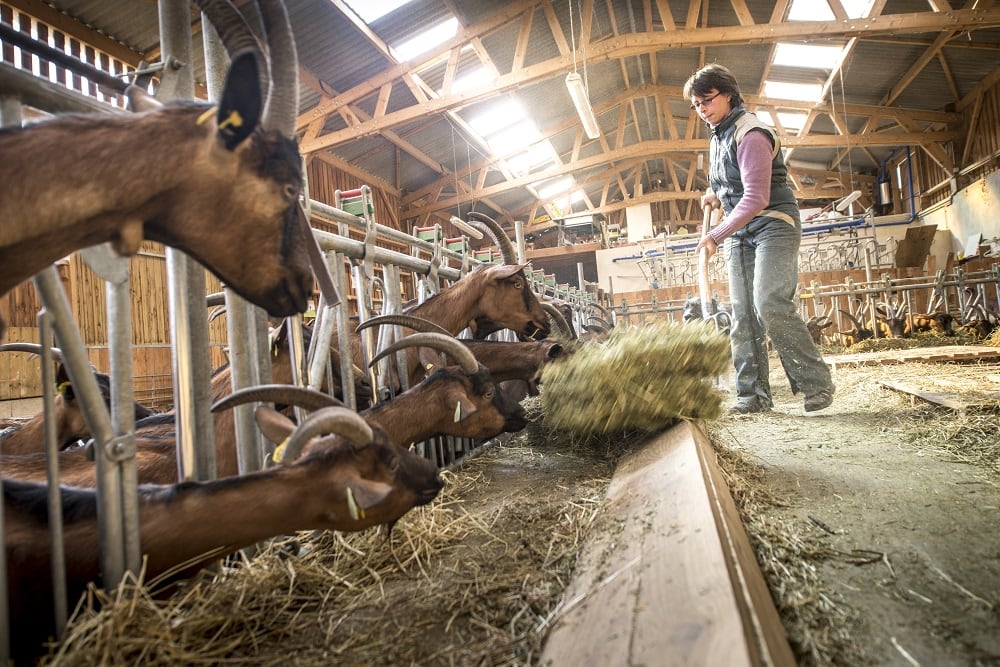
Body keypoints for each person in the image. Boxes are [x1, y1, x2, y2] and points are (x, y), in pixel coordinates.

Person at [686, 64, 834, 414]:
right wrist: (714, 194)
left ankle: (816, 383)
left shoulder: (751, 132)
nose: (702, 110)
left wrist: (715, 234)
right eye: (696, 105)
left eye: (707, 101)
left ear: (729, 94)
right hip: (742, 229)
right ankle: (752, 396)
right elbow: (732, 182)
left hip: (773, 223)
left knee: (769, 302)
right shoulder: (717, 134)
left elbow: (755, 197)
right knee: (743, 315)